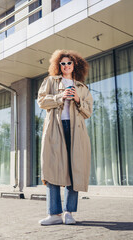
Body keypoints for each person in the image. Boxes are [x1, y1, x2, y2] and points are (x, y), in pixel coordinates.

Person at [37, 49, 93, 225]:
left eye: (69, 63)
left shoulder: (82, 88)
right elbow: (41, 101)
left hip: (76, 132)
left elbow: (88, 111)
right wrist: (60, 97)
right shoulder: (50, 81)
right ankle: (54, 214)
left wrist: (77, 99)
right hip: (55, 129)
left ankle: (69, 212)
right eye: (63, 63)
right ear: (58, 65)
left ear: (75, 65)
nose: (66, 66)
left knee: (74, 168)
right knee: (51, 168)